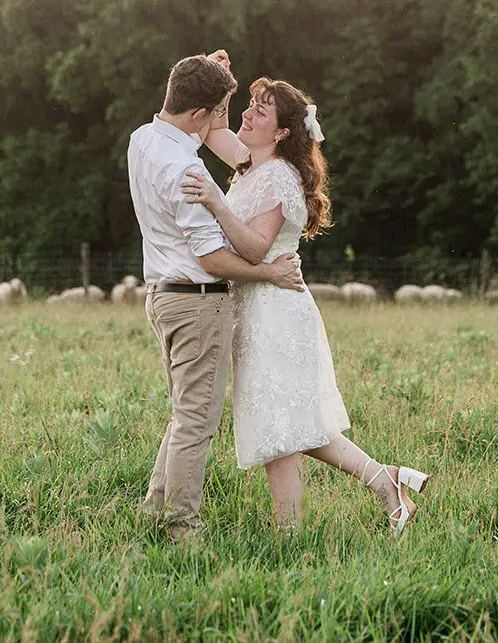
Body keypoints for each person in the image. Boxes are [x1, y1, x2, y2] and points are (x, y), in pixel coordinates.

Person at [182, 60, 431, 534]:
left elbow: (255, 248)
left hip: (275, 310)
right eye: (251, 104)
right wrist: (223, 82)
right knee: (289, 422)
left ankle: (289, 538)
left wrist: (215, 201)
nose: (249, 113)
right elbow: (212, 125)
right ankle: (387, 482)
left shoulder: (276, 177)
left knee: (281, 428)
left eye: (262, 109)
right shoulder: (249, 164)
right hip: (255, 307)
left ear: (280, 134)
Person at [128, 53, 308, 542]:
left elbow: (199, 120)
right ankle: (180, 530)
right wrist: (269, 272)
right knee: (195, 424)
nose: (242, 116)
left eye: (257, 110)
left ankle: (153, 511)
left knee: (183, 414)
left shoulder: (142, 140)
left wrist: (211, 81)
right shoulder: (188, 171)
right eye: (229, 108)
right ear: (199, 114)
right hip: (198, 300)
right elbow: (211, 258)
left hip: (162, 297)